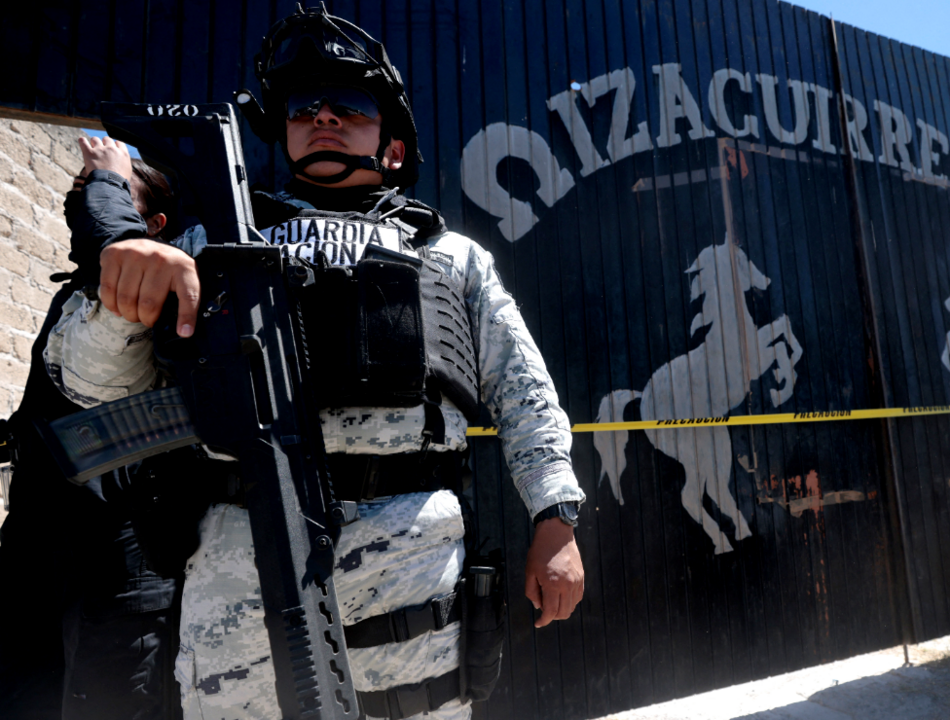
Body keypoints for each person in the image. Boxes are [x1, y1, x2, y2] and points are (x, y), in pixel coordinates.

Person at [43, 7, 586, 720]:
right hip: (245, 591)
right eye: (304, 106)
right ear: (284, 128)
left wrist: (556, 515)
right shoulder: (212, 245)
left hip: (415, 592)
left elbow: (524, 391)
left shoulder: (451, 258)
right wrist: (120, 296)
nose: (324, 116)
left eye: (351, 106)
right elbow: (88, 382)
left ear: (391, 144)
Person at [0, 136, 182, 720]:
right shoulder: (74, 294)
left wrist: (104, 182)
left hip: (118, 552)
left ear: (150, 222)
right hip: (35, 540)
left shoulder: (165, 292)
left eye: (108, 188)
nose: (87, 193)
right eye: (82, 186)